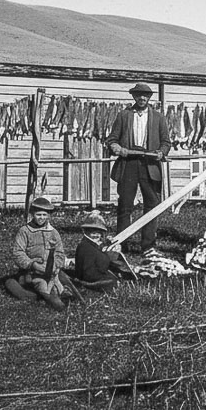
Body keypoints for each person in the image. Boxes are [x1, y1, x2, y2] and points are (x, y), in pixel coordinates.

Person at [106, 82, 171, 255]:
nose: (142, 98)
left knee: (151, 204)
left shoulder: (158, 117)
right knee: (125, 204)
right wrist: (117, 148)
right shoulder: (124, 115)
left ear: (149, 98)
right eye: (139, 95)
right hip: (129, 164)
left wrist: (161, 152)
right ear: (133, 96)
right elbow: (112, 139)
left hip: (150, 164)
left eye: (145, 95)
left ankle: (148, 245)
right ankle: (121, 243)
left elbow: (166, 142)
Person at [6, 196, 69, 311]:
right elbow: (18, 253)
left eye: (44, 215)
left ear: (48, 216)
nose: (41, 218)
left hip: (51, 270)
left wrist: (56, 265)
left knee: (60, 283)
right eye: (38, 215)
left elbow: (60, 252)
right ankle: (49, 299)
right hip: (32, 272)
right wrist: (32, 264)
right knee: (41, 285)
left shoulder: (53, 232)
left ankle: (63, 295)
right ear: (32, 214)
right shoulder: (25, 231)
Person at [72, 213, 120, 291]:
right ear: (86, 232)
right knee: (113, 281)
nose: (97, 235)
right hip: (90, 279)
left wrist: (106, 244)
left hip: (91, 275)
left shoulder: (88, 244)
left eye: (99, 233)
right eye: (93, 233)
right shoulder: (86, 247)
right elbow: (92, 271)